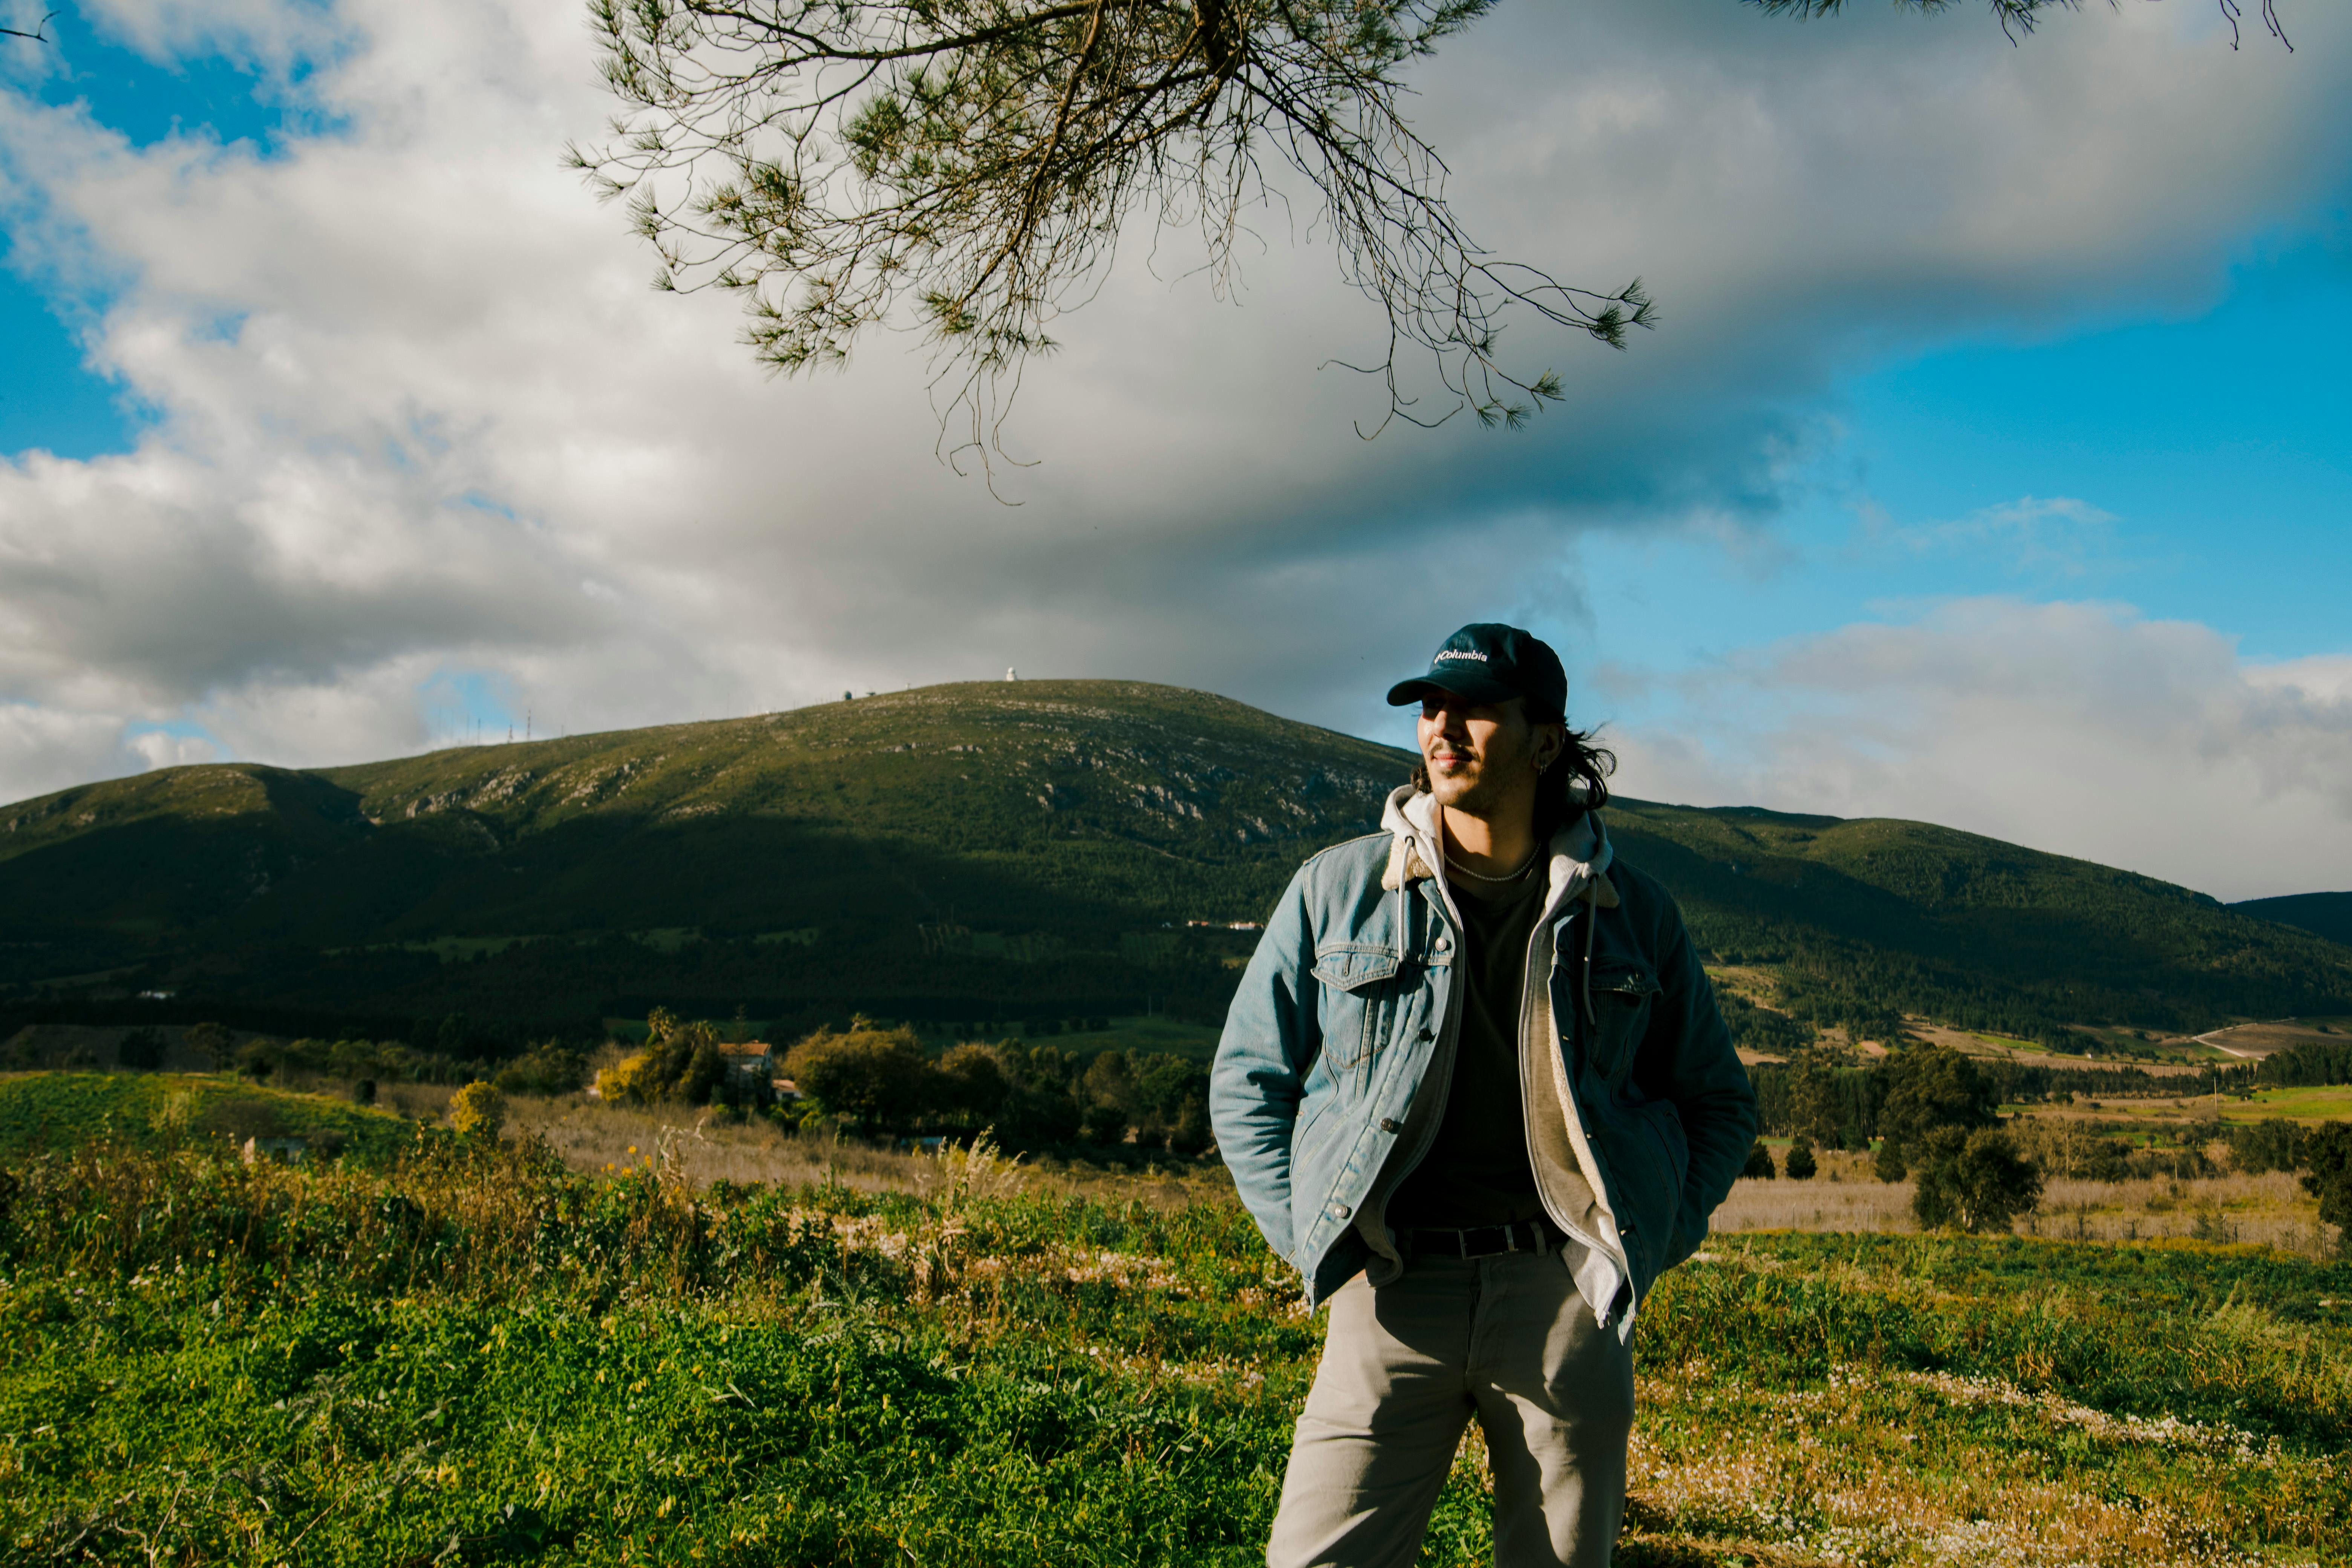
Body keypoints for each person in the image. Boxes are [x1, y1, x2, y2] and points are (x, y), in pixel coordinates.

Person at [1210, 623, 1757, 1568]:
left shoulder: (1631, 912)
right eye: (1430, 708)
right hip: (1388, 1288)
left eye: (1473, 709)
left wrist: (1643, 1245)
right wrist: (1314, 1235)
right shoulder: (1336, 889)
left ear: (1545, 741)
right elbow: (1246, 1080)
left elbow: (1719, 1102)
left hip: (1560, 1298)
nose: (1443, 727)